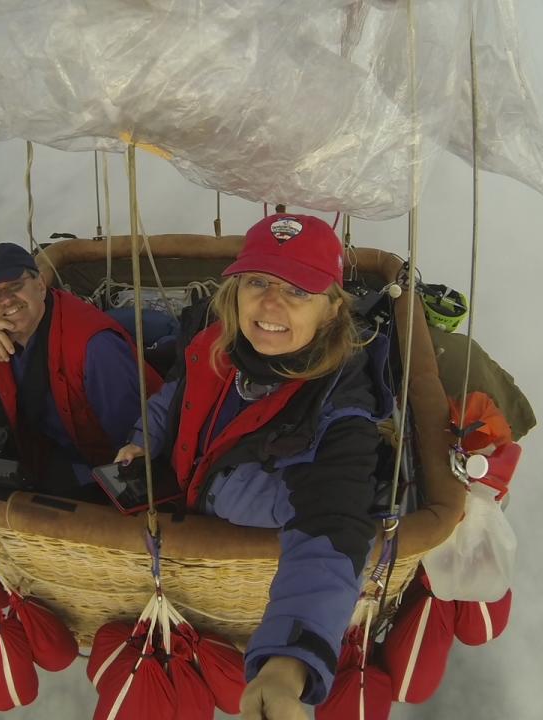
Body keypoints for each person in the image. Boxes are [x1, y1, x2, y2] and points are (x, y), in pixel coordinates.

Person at [114, 214, 392, 718]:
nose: (270, 303)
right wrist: (142, 443)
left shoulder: (338, 413)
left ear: (331, 312)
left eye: (298, 290)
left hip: (236, 552)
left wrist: (288, 664)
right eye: (258, 282)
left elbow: (331, 526)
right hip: (183, 496)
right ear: (235, 291)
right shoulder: (215, 344)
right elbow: (174, 400)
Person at [0, 242, 161, 495]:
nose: (6, 301)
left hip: (100, 467)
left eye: (14, 286)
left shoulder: (94, 347)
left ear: (40, 285)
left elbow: (134, 444)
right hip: (48, 454)